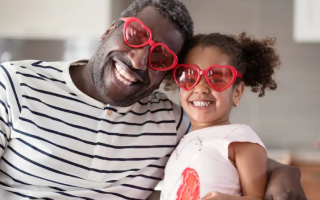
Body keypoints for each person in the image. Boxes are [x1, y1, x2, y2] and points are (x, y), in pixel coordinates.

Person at [0, 0, 306, 200]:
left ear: (169, 74)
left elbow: (224, 148)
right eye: (136, 35)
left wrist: (283, 172)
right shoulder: (14, 84)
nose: (139, 60)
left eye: (161, 56)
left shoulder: (171, 122)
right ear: (110, 30)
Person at [160, 32, 280, 200]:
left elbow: (257, 197)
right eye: (189, 76)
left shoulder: (240, 139)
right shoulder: (181, 141)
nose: (201, 88)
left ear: (237, 93)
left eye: (216, 78)